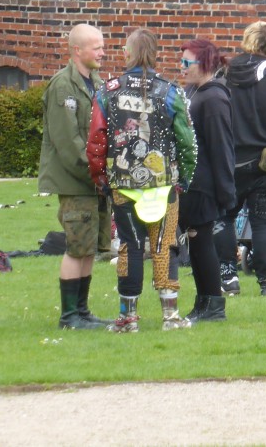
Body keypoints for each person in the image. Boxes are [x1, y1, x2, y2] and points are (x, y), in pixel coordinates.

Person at [87, 27, 197, 333]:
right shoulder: (171, 91)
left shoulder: (108, 90)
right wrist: (184, 177)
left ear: (128, 53)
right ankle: (171, 316)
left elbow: (96, 139)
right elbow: (188, 141)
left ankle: (128, 318)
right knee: (165, 246)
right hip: (163, 185)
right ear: (156, 54)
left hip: (123, 185)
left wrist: (100, 177)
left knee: (129, 247)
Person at [213, 21, 266, 297]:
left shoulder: (223, 74)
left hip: (228, 159)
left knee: (224, 218)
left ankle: (228, 276)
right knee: (263, 221)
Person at [38, 23, 113, 330]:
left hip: (95, 179)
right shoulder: (63, 86)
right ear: (77, 50)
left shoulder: (96, 82)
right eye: (96, 47)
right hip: (77, 180)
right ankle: (69, 316)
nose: (102, 52)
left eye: (103, 46)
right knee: (76, 245)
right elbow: (68, 143)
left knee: (89, 247)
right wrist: (96, 174)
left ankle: (82, 312)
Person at [177, 38, 236, 323]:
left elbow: (221, 147)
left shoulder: (213, 98)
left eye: (187, 63)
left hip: (204, 185)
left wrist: (226, 192)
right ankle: (203, 302)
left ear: (204, 64)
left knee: (202, 244)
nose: (182, 68)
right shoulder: (194, 92)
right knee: (195, 245)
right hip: (191, 183)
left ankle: (214, 305)